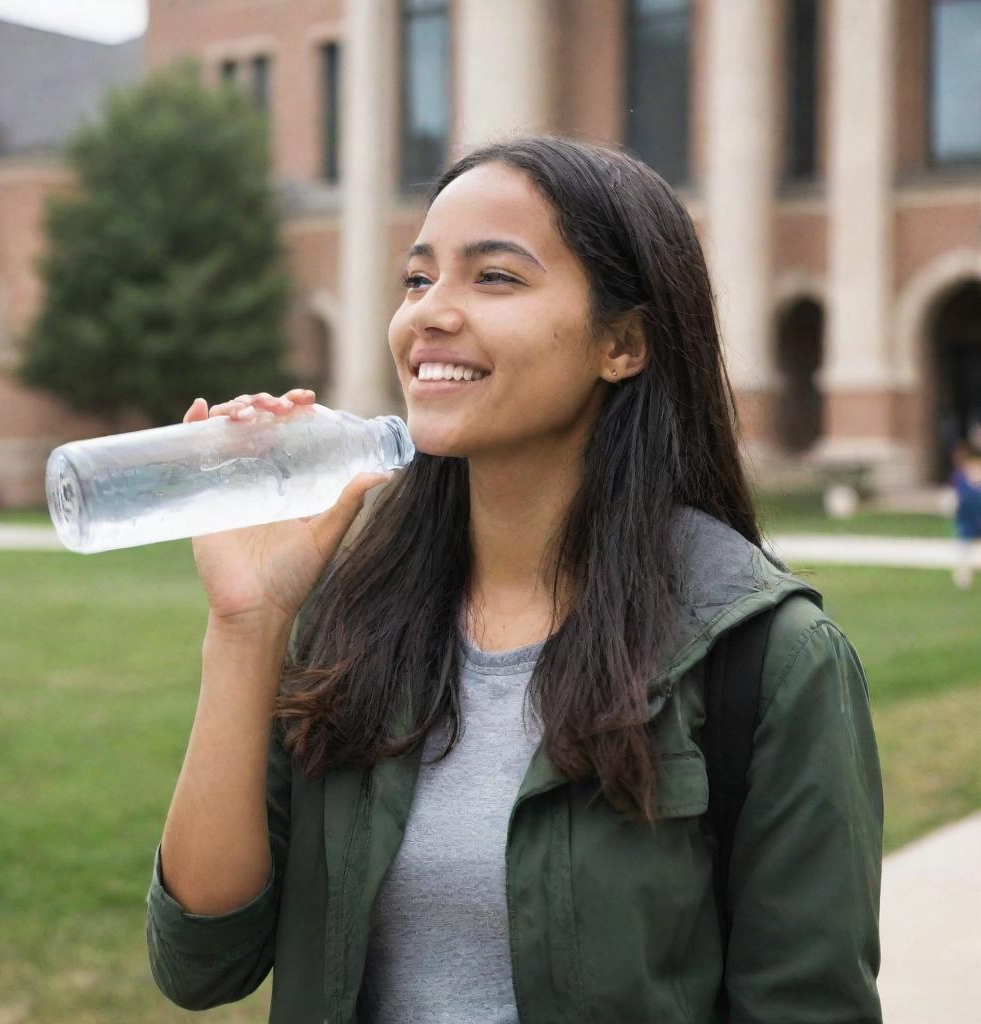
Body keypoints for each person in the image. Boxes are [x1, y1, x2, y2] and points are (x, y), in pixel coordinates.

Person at [145, 136, 883, 1023]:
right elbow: (202, 962)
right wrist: (248, 625)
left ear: (624, 344)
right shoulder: (350, 619)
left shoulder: (769, 658)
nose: (430, 315)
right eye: (418, 280)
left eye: (494, 278)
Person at [950, 436, 981, 589]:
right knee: (964, 548)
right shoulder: (959, 477)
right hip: (967, 518)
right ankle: (963, 577)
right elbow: (956, 497)